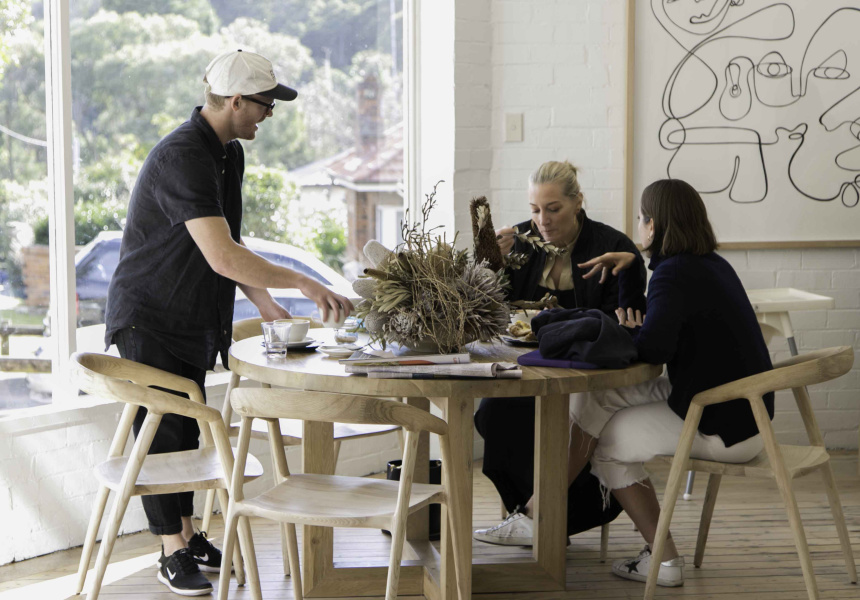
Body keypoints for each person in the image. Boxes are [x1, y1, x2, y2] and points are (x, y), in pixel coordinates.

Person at [103, 49, 353, 596]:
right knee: (165, 429)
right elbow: (222, 257)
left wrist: (265, 304)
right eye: (265, 104)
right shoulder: (182, 156)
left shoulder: (226, 154)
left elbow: (230, 244)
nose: (270, 114)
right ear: (235, 101)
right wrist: (303, 282)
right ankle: (170, 550)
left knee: (187, 427)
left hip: (189, 313)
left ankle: (189, 536)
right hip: (150, 313)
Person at [571, 178, 773, 587]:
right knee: (595, 398)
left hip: (720, 421)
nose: (639, 226)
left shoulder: (674, 273)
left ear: (653, 224)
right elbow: (659, 328)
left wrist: (628, 330)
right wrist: (633, 269)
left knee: (608, 446)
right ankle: (538, 511)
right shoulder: (708, 264)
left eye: (641, 218)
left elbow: (654, 348)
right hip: (743, 411)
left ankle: (663, 562)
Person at [473, 160, 646, 546]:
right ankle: (533, 515)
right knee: (493, 415)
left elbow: (626, 322)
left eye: (554, 209)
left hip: (586, 372)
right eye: (535, 210)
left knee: (567, 424)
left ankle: (551, 520)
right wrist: (489, 263)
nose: (543, 220)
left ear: (577, 202)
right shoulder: (519, 241)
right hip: (528, 366)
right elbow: (486, 309)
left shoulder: (613, 247)